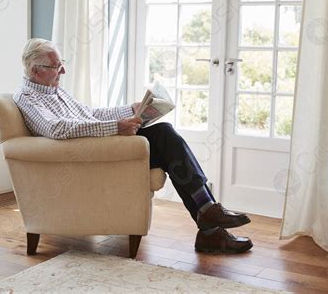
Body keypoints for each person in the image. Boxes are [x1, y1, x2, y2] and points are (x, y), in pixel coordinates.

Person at [14, 38, 253, 253]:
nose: (63, 70)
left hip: (102, 151)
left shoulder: (57, 92)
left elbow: (90, 113)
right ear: (36, 70)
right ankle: (208, 218)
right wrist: (116, 128)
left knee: (164, 134)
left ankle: (208, 219)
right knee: (164, 136)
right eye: (57, 66)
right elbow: (57, 129)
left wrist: (133, 109)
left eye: (61, 63)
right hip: (91, 160)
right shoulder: (28, 97)